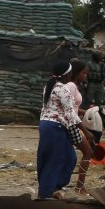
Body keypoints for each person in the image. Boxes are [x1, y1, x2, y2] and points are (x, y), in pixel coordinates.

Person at [36, 61, 84, 200]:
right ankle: (45, 193)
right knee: (54, 159)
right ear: (67, 74)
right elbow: (71, 114)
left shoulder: (49, 86)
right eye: (70, 72)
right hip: (55, 127)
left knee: (69, 157)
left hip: (48, 125)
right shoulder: (64, 89)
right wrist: (86, 131)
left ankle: (54, 187)